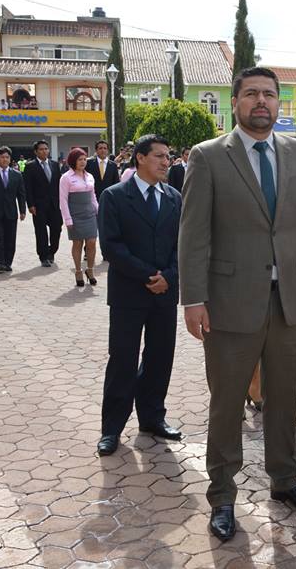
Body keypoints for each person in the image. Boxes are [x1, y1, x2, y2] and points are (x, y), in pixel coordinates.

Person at [178, 67, 296, 541]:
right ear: (236, 102)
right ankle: (222, 496)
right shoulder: (207, 157)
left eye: (269, 94)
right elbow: (194, 235)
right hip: (228, 304)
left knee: (284, 398)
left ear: (278, 103)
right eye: (251, 94)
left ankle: (285, 481)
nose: (261, 101)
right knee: (226, 404)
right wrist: (193, 299)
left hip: (288, 302)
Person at [96, 134, 182, 456]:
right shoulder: (115, 197)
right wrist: (148, 275)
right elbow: (112, 247)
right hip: (128, 294)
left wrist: (169, 277)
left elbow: (180, 245)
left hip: (164, 294)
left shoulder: (174, 197)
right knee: (123, 360)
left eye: (168, 156)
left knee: (160, 357)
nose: (166, 161)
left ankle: (152, 417)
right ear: (140, 158)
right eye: (159, 156)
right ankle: (111, 429)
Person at [59, 147, 99, 287]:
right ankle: (78, 271)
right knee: (77, 243)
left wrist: (98, 211)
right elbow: (63, 200)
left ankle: (90, 269)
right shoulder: (66, 178)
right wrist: (67, 219)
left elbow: (93, 196)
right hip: (75, 214)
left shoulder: (90, 176)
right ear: (73, 161)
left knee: (92, 242)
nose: (83, 162)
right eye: (79, 160)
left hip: (90, 214)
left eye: (84, 159)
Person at [23, 140, 62, 267]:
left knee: (57, 229)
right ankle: (43, 256)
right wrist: (30, 205)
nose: (44, 151)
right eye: (41, 149)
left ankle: (52, 251)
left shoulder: (55, 165)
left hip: (55, 204)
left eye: (46, 149)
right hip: (38, 205)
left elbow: (59, 185)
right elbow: (27, 188)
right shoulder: (30, 166)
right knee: (41, 232)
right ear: (36, 152)